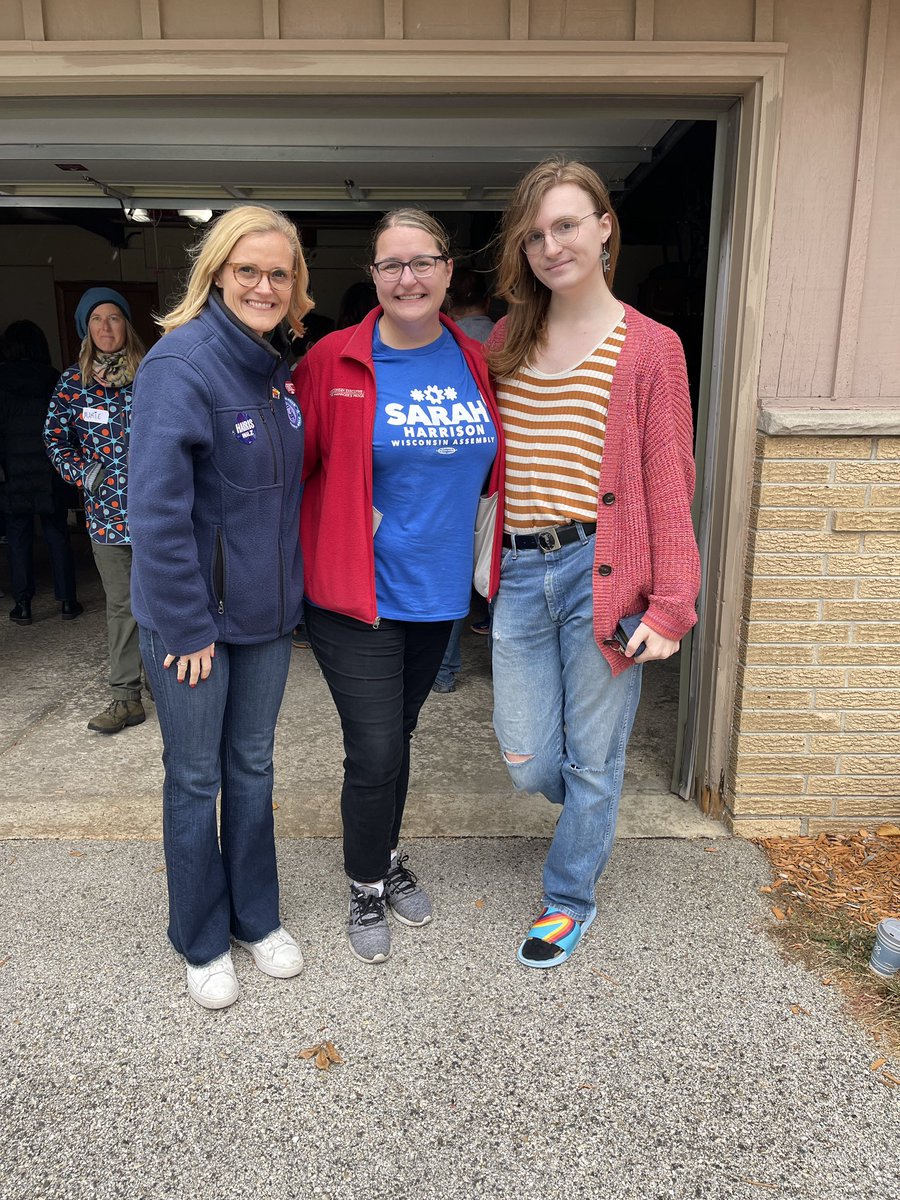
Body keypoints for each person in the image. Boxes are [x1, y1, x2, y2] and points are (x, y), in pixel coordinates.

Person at [486, 158, 700, 969]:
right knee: (529, 757)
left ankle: (568, 896)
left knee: (596, 753)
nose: (550, 245)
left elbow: (669, 481)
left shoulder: (651, 347)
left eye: (567, 225)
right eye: (535, 234)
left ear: (606, 227)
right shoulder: (510, 337)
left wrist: (673, 605)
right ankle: (586, 805)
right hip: (517, 571)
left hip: (603, 571)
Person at [294, 208, 504, 964]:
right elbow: (294, 472)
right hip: (356, 593)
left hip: (438, 593)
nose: (408, 278)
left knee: (401, 737)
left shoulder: (472, 357)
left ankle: (382, 855)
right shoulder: (332, 363)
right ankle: (364, 881)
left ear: (449, 272)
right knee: (376, 746)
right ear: (374, 276)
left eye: (423, 262)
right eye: (391, 265)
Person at [128, 206, 313, 1010]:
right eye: (248, 270)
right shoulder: (182, 364)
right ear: (216, 274)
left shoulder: (274, 365)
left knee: (252, 768)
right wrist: (186, 621)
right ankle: (201, 940)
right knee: (195, 776)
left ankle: (255, 916)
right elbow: (157, 513)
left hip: (267, 618)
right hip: (196, 625)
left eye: (279, 273)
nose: (264, 286)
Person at [44, 288, 147, 733]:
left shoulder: (153, 374)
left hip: (157, 512)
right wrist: (87, 473)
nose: (106, 327)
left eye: (115, 318)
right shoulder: (74, 383)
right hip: (106, 516)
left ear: (127, 324)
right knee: (122, 606)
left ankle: (174, 690)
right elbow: (54, 437)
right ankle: (126, 699)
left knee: (165, 603)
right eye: (96, 319)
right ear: (86, 328)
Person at [432, 268, 497, 693]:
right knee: (492, 571)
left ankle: (443, 669)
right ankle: (500, 657)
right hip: (491, 479)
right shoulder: (504, 340)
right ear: (488, 301)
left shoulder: (444, 345)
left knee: (448, 568)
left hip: (445, 476)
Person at [0, 321, 81, 626]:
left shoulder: (1, 379)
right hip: (50, 469)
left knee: (18, 537)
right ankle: (68, 601)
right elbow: (67, 426)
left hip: (14, 470)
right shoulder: (53, 379)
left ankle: (23, 605)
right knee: (57, 534)